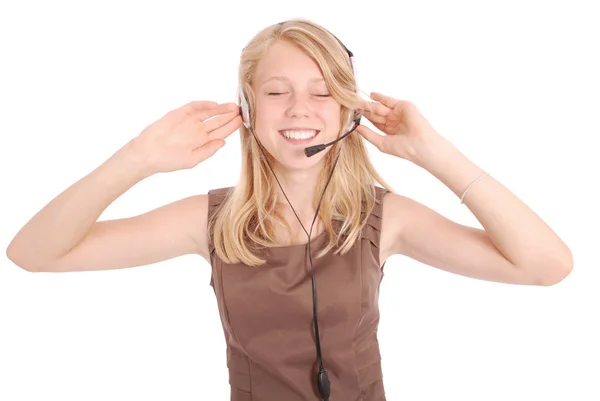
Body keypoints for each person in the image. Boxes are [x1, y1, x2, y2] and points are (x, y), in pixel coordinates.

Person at [6, 18, 573, 401]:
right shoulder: (211, 223)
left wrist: (435, 154)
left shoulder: (385, 218)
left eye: (323, 90)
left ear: (348, 108)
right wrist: (137, 159)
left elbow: (546, 265)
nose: (300, 108)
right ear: (249, 109)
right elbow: (32, 253)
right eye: (277, 91)